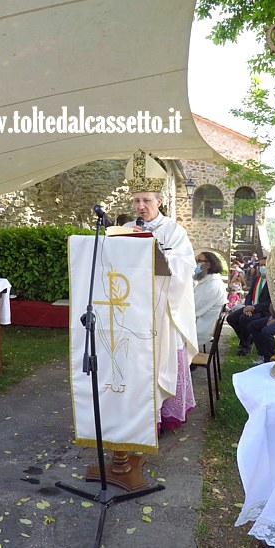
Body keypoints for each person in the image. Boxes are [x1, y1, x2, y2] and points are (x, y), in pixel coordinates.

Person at [123, 149, 198, 431]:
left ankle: (164, 417)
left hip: (163, 310)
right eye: (136, 200)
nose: (141, 206)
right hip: (133, 309)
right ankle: (139, 413)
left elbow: (184, 268)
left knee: (163, 362)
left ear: (160, 200)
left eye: (146, 200)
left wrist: (160, 257)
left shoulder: (173, 231)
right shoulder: (127, 228)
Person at [226, 256, 270, 357]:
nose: (262, 267)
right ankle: (248, 339)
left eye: (265, 265)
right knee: (231, 318)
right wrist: (247, 306)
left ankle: (244, 347)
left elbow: (270, 302)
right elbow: (250, 294)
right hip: (251, 306)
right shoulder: (257, 279)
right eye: (261, 265)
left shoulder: (274, 282)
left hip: (263, 311)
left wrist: (254, 308)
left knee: (244, 319)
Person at [193, 251, 227, 348]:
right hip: (199, 321)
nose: (195, 264)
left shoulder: (212, 285)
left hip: (202, 327)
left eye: (199, 261)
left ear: (209, 264)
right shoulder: (206, 281)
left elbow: (194, 309)